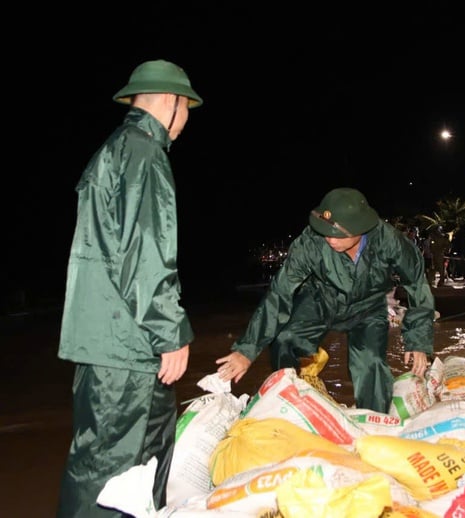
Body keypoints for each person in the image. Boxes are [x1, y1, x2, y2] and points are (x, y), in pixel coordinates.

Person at [57, 59, 202, 517]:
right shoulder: (143, 152)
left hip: (112, 346)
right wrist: (171, 331)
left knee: (140, 463)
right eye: (187, 109)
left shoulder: (116, 149)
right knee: (111, 474)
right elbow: (145, 253)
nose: (185, 122)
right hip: (126, 350)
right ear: (172, 101)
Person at [216, 187, 435, 413]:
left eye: (337, 233)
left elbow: (417, 284)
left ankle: (373, 419)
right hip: (322, 299)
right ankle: (290, 404)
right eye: (325, 231)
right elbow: (280, 293)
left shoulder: (389, 240)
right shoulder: (310, 242)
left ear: (360, 229)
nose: (329, 239)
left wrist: (417, 340)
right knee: (285, 340)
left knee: (371, 365)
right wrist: (247, 350)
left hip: (368, 307)